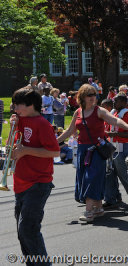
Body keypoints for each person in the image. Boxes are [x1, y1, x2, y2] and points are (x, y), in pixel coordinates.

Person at [57, 84, 128, 222]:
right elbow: (70, 131)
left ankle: (89, 211)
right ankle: (99, 208)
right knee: (86, 178)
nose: (93, 97)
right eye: (89, 95)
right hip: (83, 150)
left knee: (91, 178)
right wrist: (54, 142)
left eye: (94, 94)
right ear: (82, 97)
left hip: (96, 150)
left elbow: (115, 120)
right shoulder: (78, 112)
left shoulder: (99, 111)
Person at [11, 87, 60, 266]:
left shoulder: (42, 123)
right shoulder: (20, 121)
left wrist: (26, 151)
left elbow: (55, 152)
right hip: (20, 182)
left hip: (38, 183)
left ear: (31, 104)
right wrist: (13, 127)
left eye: (18, 105)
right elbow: (12, 148)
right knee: (21, 232)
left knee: (28, 229)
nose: (15, 108)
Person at [103, 94, 128, 209]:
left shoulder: (127, 113)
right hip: (112, 146)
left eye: (117, 101)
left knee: (124, 175)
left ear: (125, 103)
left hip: (122, 147)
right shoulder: (114, 113)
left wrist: (114, 134)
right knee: (109, 174)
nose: (114, 103)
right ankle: (111, 198)